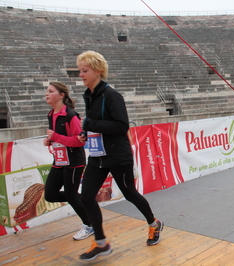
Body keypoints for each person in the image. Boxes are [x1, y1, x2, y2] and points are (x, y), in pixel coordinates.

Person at [76, 50, 164, 261]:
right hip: (98, 155)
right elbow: (95, 122)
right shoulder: (89, 95)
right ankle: (101, 243)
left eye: (84, 70)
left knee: (129, 193)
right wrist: (84, 132)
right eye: (80, 70)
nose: (80, 75)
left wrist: (89, 124)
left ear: (97, 71)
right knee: (87, 196)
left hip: (118, 155)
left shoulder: (111, 95)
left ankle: (154, 224)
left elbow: (121, 125)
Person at [43, 81, 93, 241]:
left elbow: (80, 141)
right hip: (59, 160)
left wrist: (55, 137)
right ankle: (84, 200)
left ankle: (89, 225)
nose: (47, 94)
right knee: (50, 194)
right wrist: (49, 141)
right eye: (47, 91)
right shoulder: (51, 115)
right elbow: (58, 137)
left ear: (61, 95)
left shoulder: (71, 115)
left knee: (71, 196)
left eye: (51, 91)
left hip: (74, 161)